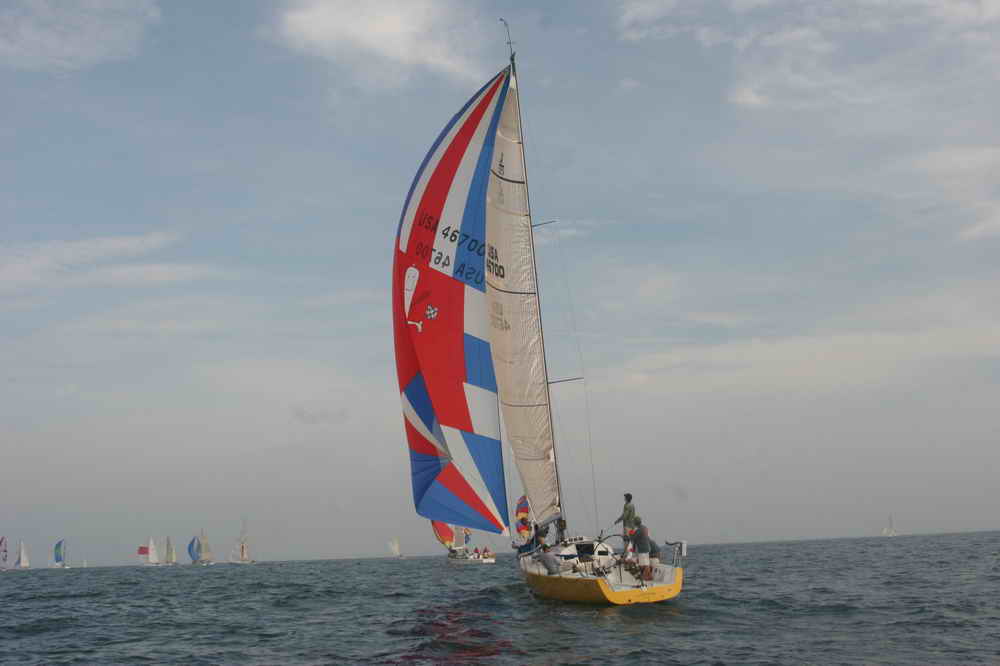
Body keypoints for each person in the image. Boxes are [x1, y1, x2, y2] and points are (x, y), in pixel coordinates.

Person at [631, 516, 653, 581]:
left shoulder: (639, 530)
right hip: (647, 548)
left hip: (643, 550)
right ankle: (648, 577)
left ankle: (647, 577)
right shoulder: (644, 528)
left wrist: (629, 534)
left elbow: (633, 538)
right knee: (646, 563)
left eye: (634, 522)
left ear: (635, 523)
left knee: (644, 564)